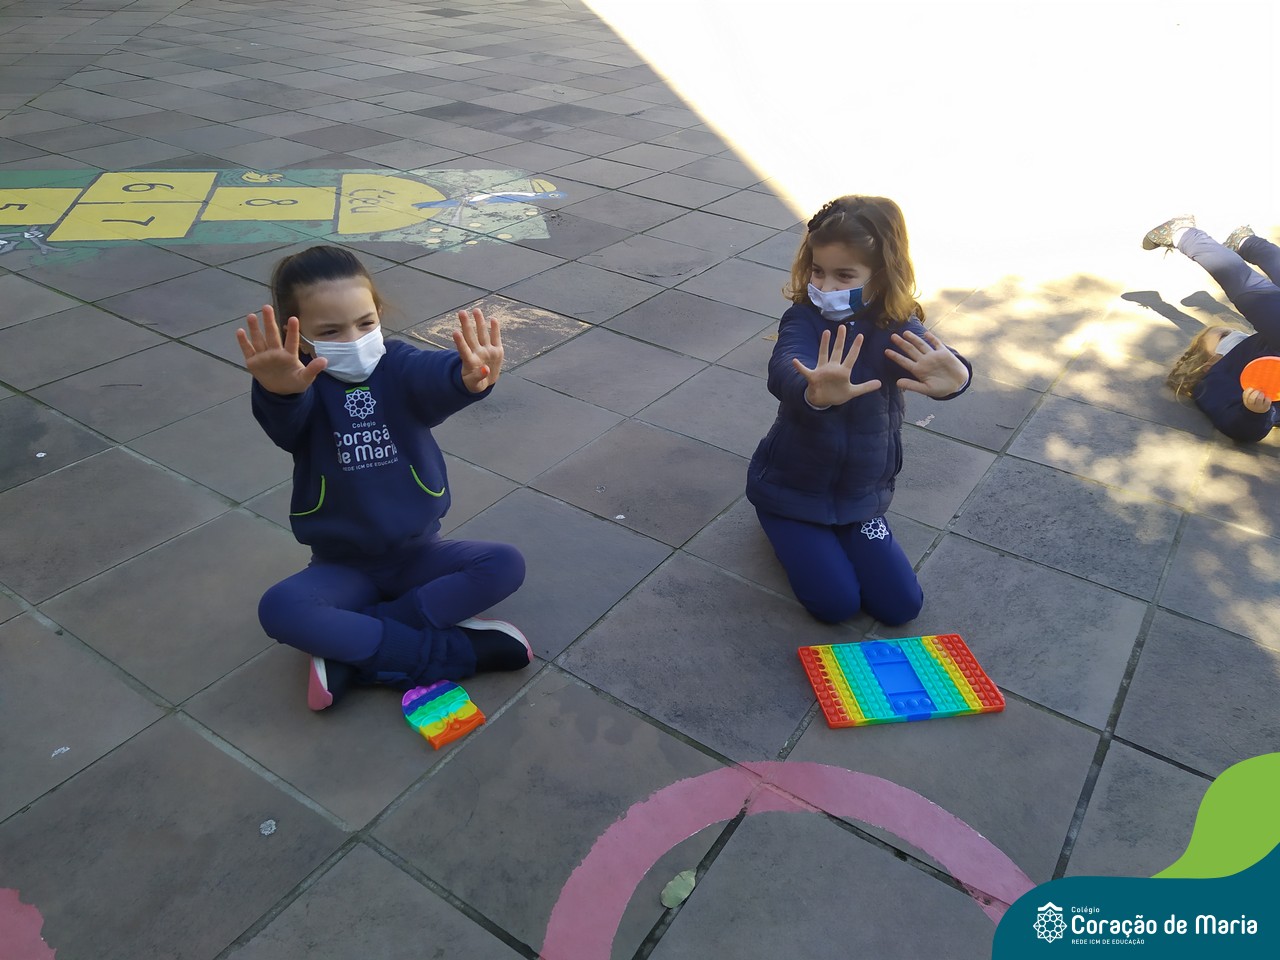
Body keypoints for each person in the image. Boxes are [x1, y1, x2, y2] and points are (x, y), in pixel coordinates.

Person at [235, 245, 530, 711]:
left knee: (504, 563)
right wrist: (280, 393)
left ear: (378, 315)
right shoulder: (296, 385)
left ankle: (357, 645)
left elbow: (435, 374)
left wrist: (467, 377)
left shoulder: (396, 364)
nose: (353, 339)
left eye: (365, 322)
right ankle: (453, 652)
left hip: (419, 554)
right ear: (300, 338)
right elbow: (284, 426)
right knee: (280, 608)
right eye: (330, 331)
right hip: (342, 568)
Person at [746, 195, 973, 626]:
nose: (825, 287)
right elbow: (784, 366)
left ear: (881, 274)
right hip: (792, 492)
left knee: (901, 606)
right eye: (817, 271)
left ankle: (842, 536)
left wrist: (957, 378)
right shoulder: (803, 317)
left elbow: (938, 359)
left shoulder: (894, 324)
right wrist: (813, 391)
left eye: (845, 275)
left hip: (860, 497)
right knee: (836, 604)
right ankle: (778, 523)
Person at [1144, 216, 1279, 442]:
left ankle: (1243, 242)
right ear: (1208, 362)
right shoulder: (1212, 381)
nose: (1236, 334)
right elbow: (1235, 425)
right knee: (1251, 290)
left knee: (1260, 296)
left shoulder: (1259, 346)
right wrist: (1254, 413)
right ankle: (1189, 235)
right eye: (1224, 335)